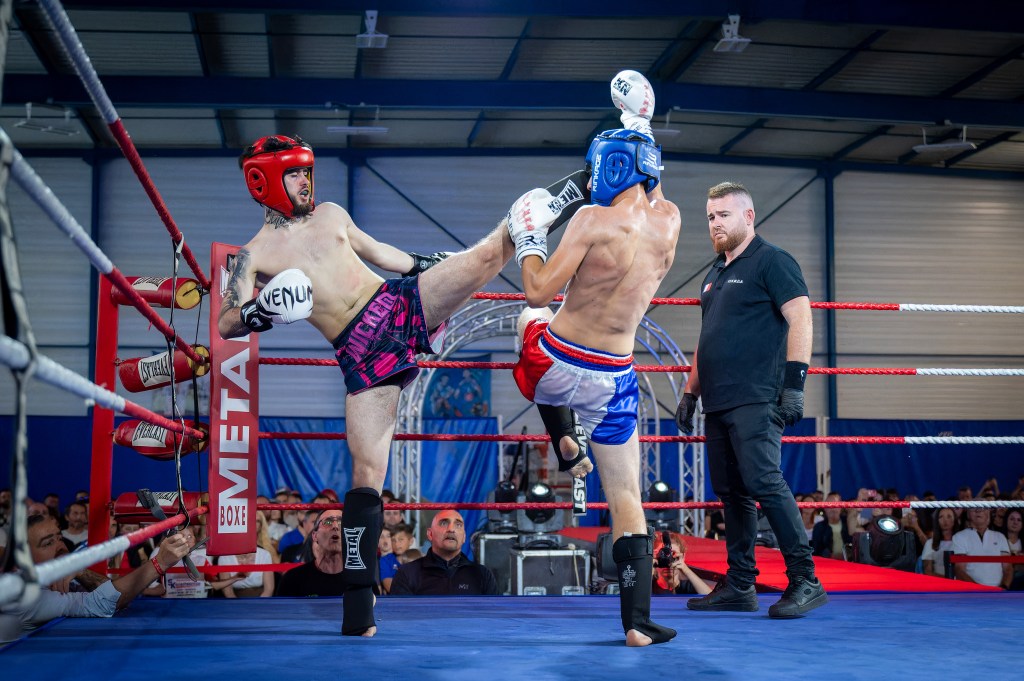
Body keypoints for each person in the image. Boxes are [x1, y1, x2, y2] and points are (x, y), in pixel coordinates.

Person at [219, 133, 582, 636]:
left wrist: (426, 266)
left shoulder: (331, 214)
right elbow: (226, 322)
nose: (305, 181)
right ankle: (358, 608)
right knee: (366, 477)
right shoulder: (251, 256)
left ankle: (580, 187)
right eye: (294, 173)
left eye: (306, 171)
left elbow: (380, 253)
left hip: (397, 303)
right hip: (358, 351)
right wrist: (259, 311)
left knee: (485, 257)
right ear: (264, 182)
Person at [512, 70, 679, 646]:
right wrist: (641, 127)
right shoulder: (671, 224)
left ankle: (562, 436)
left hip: (555, 365)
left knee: (528, 317)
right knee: (626, 497)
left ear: (606, 167)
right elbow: (654, 192)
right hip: (616, 378)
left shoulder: (589, 220)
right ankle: (636, 623)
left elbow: (538, 289)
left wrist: (529, 236)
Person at [676, 180, 827, 619]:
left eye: (723, 215)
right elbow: (707, 338)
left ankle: (806, 580)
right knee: (731, 493)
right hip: (718, 401)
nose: (715, 224)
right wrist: (689, 392)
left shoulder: (772, 260)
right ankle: (741, 585)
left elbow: (801, 318)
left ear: (748, 216)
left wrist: (795, 384)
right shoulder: (713, 274)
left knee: (764, 482)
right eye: (710, 217)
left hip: (758, 396)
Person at [0, 513, 194, 643]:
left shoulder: (57, 576)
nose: (60, 546)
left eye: (58, 537)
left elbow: (110, 592)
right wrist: (160, 562)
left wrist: (79, 570)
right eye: (48, 543)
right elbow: (105, 603)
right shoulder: (24, 594)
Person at [389, 510, 497, 595]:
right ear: (430, 534)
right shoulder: (406, 574)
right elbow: (400, 615)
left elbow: (493, 615)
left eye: (458, 525)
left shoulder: (482, 575)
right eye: (444, 523)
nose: (451, 529)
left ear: (464, 537)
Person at [276, 509, 347, 597]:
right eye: (328, 522)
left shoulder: (361, 578)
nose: (335, 526)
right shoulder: (293, 578)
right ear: (315, 535)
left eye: (341, 522)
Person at [951, 505, 1011, 588]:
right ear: (968, 514)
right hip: (971, 591)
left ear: (988, 513)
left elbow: (1008, 568)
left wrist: (1003, 588)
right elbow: (959, 570)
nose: (978, 511)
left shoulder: (1000, 537)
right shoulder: (959, 537)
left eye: (982, 507)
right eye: (973, 507)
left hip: (998, 592)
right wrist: (979, 590)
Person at [652, 531, 712, 596]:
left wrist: (685, 568)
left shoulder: (690, 587)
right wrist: (649, 565)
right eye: (663, 555)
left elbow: (710, 597)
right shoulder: (648, 586)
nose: (669, 561)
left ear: (682, 557)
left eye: (673, 555)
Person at [920, 507, 960, 578]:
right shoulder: (930, 543)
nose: (945, 520)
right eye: (941, 517)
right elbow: (927, 571)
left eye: (949, 516)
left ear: (955, 520)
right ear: (936, 520)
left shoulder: (962, 542)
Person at [811, 492, 851, 559]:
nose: (832, 508)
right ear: (825, 508)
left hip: (850, 562)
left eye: (835, 505)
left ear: (841, 507)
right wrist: (830, 556)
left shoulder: (848, 522)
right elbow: (816, 550)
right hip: (828, 562)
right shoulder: (819, 527)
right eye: (829, 505)